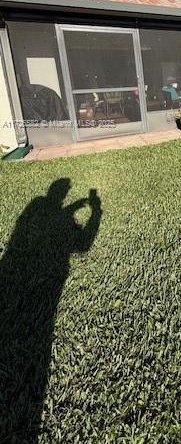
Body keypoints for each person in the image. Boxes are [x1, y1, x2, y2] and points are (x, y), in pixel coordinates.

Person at [0, 179, 102, 442]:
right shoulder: (44, 207)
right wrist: (95, 211)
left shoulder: (37, 205)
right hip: (51, 280)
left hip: (13, 272)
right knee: (40, 339)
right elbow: (83, 245)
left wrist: (72, 208)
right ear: (62, 193)